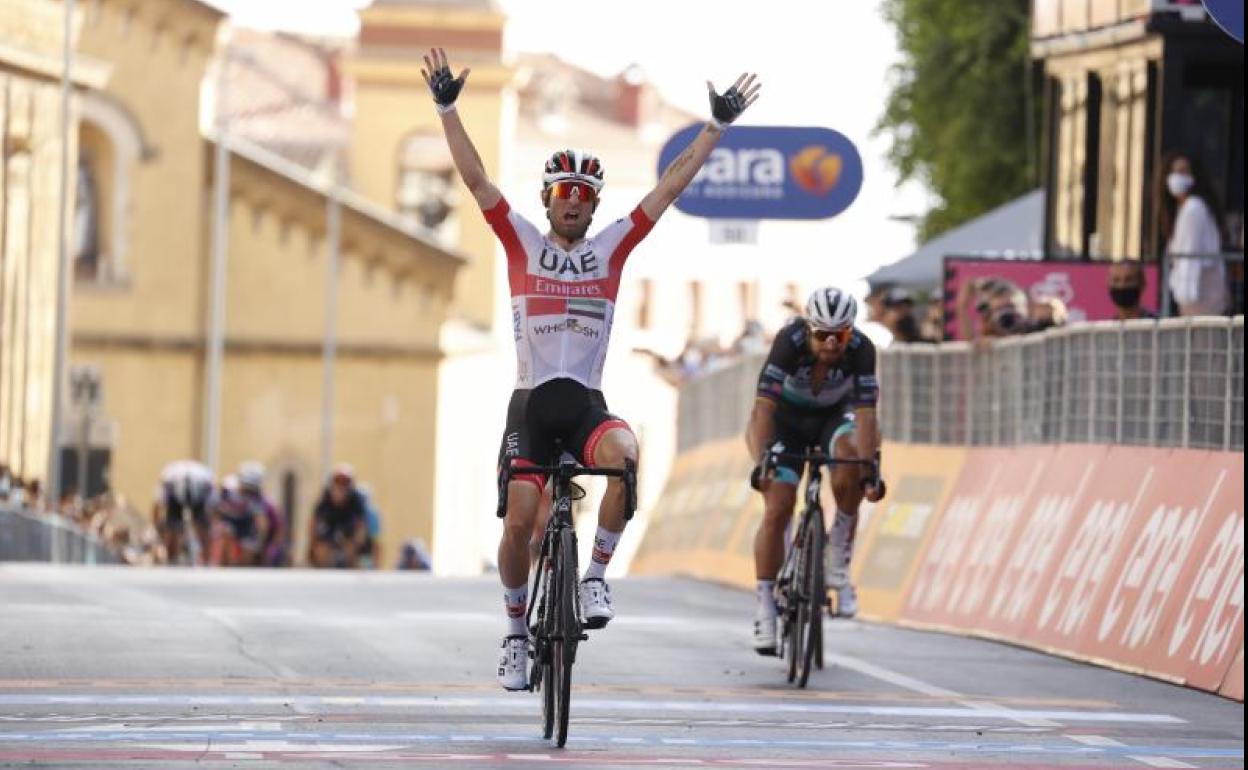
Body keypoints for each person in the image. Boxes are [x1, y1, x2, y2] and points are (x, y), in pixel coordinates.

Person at [420, 47, 760, 690]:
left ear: (595, 206)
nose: (574, 203)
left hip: (584, 405)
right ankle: (517, 636)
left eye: (585, 195)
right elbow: (476, 180)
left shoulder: (613, 248)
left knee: (626, 455)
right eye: (563, 193)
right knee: (522, 517)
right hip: (530, 404)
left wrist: (715, 128)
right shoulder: (520, 239)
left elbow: (670, 186)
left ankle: (596, 578)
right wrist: (447, 109)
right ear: (547, 200)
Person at [744, 287, 886, 655]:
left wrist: (869, 468)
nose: (831, 343)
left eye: (840, 336)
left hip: (833, 419)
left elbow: (868, 416)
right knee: (777, 505)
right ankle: (765, 607)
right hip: (786, 421)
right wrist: (763, 462)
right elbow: (762, 410)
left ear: (850, 333)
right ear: (809, 329)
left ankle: (837, 549)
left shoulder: (862, 350)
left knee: (853, 462)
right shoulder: (788, 342)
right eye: (823, 334)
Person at [1157, 152, 1228, 316]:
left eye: (1183, 171)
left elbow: (1190, 254)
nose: (1177, 177)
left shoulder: (1193, 207)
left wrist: (1185, 295)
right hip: (1195, 290)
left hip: (1199, 289)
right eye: (1174, 172)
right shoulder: (1182, 210)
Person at [153, 459, 215, 566]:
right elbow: (158, 505)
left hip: (196, 490)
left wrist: (157, 526)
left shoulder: (170, 477)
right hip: (183, 491)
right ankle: (205, 558)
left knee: (176, 526)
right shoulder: (170, 479)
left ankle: (173, 556)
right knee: (199, 526)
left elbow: (157, 506)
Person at [309, 464, 369, 568]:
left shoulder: (356, 499)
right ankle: (322, 570)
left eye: (345, 482)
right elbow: (314, 519)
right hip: (330, 525)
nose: (341, 486)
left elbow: (361, 523)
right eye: (338, 481)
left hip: (347, 526)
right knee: (322, 547)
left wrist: (357, 543)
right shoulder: (326, 496)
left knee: (351, 546)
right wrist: (312, 541)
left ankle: (351, 569)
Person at [956, 277, 1028, 348]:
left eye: (1009, 306)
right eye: (999, 308)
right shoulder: (986, 329)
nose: (1005, 312)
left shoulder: (1022, 323)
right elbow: (971, 340)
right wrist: (962, 308)